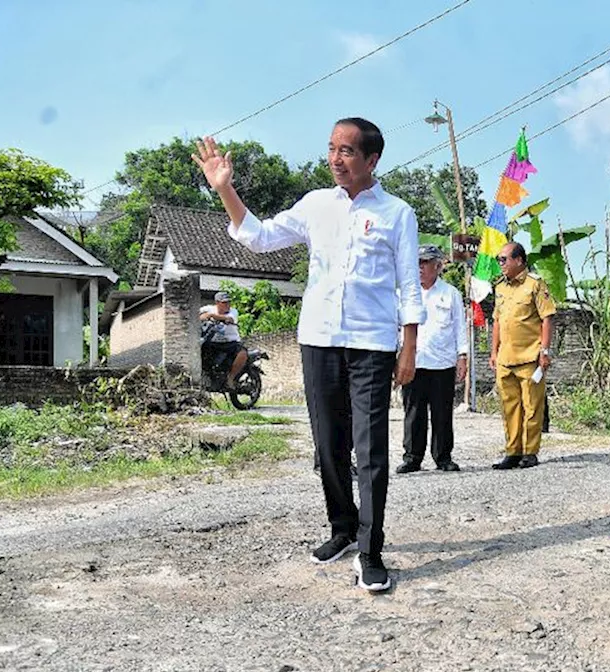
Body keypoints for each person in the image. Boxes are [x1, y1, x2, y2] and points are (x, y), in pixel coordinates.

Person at [193, 119, 422, 594]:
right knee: (328, 444)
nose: (336, 159)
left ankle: (370, 549)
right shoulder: (316, 205)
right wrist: (225, 189)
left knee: (371, 447)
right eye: (332, 149)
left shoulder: (398, 213)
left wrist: (409, 349)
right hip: (318, 338)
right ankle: (343, 528)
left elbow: (409, 286)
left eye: (347, 151)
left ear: (372, 160)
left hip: (372, 345)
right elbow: (258, 235)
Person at [397, 244, 467, 474]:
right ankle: (412, 458)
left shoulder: (451, 294)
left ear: (438, 266)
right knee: (413, 412)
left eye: (425, 263)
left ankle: (443, 457)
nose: (420, 267)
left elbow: (459, 328)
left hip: (442, 362)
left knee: (442, 413)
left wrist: (463, 356)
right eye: (417, 262)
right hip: (413, 363)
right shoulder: (404, 294)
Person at [489, 242, 555, 470]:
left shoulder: (534, 285)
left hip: (529, 357)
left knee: (531, 406)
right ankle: (512, 451)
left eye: (504, 259)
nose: (501, 264)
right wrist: (493, 351)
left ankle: (530, 451)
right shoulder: (500, 288)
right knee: (509, 407)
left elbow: (547, 317)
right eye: (499, 260)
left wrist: (544, 352)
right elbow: (497, 321)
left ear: (519, 260)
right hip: (505, 358)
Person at [199, 291, 248, 388]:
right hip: (214, 342)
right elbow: (195, 312)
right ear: (217, 303)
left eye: (229, 302)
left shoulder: (233, 311)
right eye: (224, 303)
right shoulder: (209, 309)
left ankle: (230, 378)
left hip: (231, 343)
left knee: (243, 353)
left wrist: (212, 316)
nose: (227, 305)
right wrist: (202, 316)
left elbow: (230, 319)